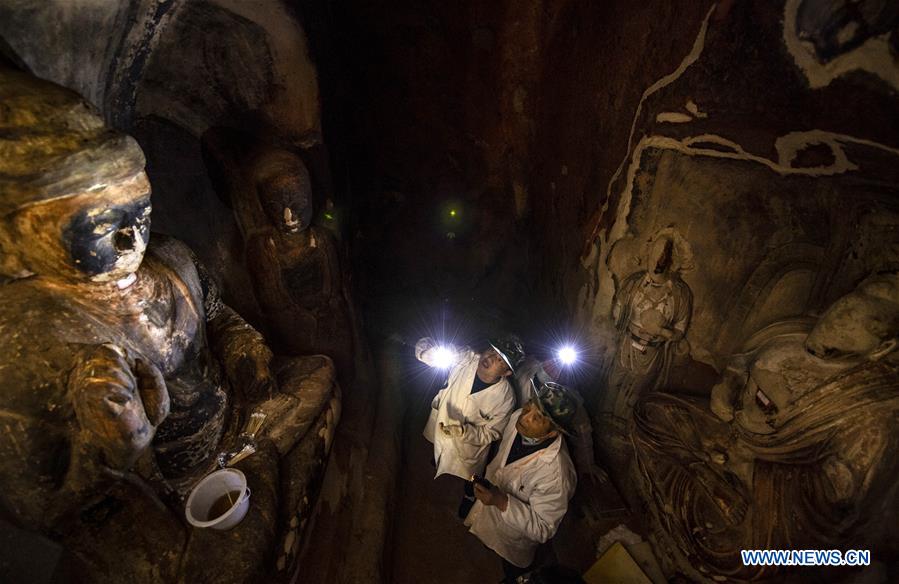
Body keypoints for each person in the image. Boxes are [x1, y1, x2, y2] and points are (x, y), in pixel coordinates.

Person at [464, 379, 578, 583]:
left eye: (539, 417)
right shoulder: (518, 418)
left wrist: (501, 502)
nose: (526, 417)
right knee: (484, 534)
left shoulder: (557, 474)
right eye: (530, 406)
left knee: (511, 568)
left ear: (553, 432)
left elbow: (543, 528)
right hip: (488, 510)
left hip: (512, 538)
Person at [415, 335, 522, 482]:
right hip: (439, 428)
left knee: (453, 482)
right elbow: (439, 351)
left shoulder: (506, 398)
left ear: (507, 372)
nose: (489, 358)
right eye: (491, 350)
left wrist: (464, 432)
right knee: (431, 459)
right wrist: (427, 353)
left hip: (465, 453)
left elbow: (492, 432)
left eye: (499, 359)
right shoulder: (466, 358)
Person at [512, 355, 606, 483]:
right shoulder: (528, 367)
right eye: (554, 360)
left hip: (536, 439)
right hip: (512, 427)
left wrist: (587, 464)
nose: (554, 366)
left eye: (560, 366)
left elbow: (583, 433)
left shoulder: (567, 402)